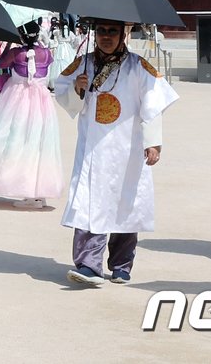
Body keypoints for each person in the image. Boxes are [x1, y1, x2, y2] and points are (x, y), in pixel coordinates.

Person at [55, 17, 179, 286]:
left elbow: (153, 103)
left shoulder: (137, 66)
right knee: (89, 202)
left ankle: (121, 264)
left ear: (123, 34)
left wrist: (153, 142)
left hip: (128, 148)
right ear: (94, 33)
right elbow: (61, 91)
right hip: (92, 148)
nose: (106, 37)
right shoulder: (83, 64)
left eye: (112, 31)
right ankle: (88, 264)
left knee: (126, 203)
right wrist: (78, 88)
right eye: (101, 31)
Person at [0, 19, 63, 209]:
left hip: (18, 97)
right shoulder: (46, 53)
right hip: (41, 99)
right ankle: (39, 190)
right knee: (39, 143)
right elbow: (46, 65)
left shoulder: (16, 53)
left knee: (15, 139)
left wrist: (10, 42)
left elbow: (2, 61)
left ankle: (24, 187)